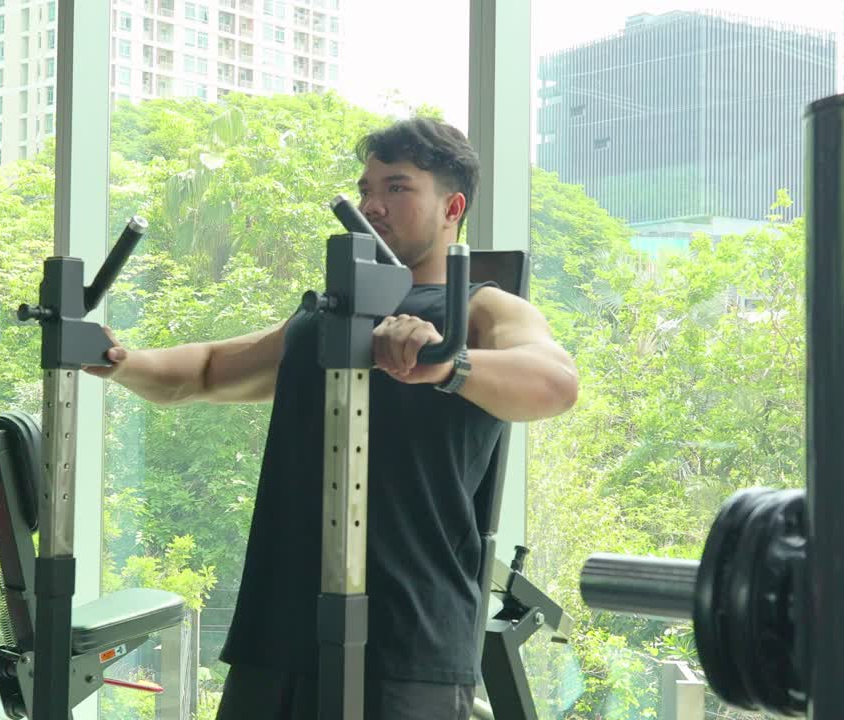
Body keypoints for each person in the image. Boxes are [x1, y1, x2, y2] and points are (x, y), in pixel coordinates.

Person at [86, 117, 579, 720]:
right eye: (367, 188)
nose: (374, 204)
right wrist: (115, 360)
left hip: (406, 640)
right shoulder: (324, 316)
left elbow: (556, 383)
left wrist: (447, 364)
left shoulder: (479, 308)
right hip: (276, 631)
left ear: (452, 207)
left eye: (397, 188)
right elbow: (207, 370)